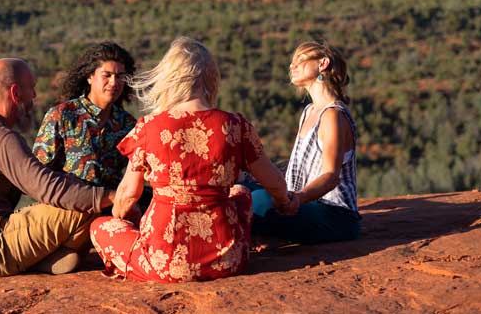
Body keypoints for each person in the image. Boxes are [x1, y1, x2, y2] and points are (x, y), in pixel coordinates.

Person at [89, 37, 291, 282]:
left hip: (164, 263)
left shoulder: (149, 128)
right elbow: (275, 183)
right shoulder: (235, 126)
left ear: (169, 77)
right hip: (227, 260)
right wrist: (284, 203)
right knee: (241, 191)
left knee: (100, 227)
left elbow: (128, 195)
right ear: (210, 77)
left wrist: (125, 222)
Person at [0, 58, 115, 278]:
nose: (34, 96)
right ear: (15, 93)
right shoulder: (0, 138)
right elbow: (47, 188)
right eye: (31, 88)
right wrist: (113, 197)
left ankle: (39, 259)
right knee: (85, 208)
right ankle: (40, 257)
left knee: (76, 201)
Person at [250, 40, 361, 243]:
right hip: (304, 206)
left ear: (323, 63)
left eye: (300, 59)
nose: (292, 66)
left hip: (335, 216)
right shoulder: (309, 111)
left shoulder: (333, 115)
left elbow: (330, 176)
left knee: (253, 201)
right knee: (245, 190)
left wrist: (298, 198)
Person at [32, 42, 137, 191]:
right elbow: (38, 173)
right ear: (90, 77)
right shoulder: (63, 115)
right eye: (107, 75)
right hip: (66, 207)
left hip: (111, 207)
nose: (114, 82)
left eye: (120, 76)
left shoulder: (128, 124)